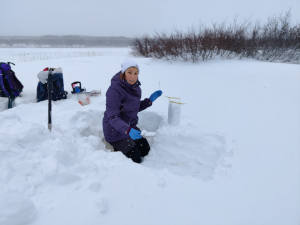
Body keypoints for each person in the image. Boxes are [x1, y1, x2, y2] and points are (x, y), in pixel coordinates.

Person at [103, 59, 162, 163]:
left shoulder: (136, 88)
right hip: (115, 131)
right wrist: (127, 130)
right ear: (123, 73)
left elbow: (133, 108)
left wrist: (149, 101)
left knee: (145, 150)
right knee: (136, 158)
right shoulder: (114, 91)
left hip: (130, 127)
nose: (133, 76)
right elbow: (112, 117)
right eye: (129, 72)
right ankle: (114, 148)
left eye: (136, 73)